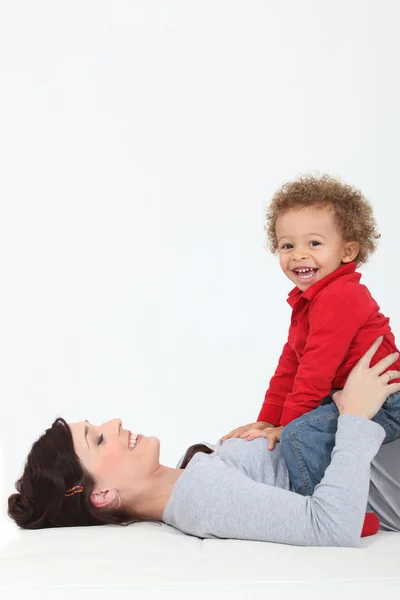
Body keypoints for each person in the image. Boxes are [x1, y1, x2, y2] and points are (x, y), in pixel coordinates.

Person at [7, 340, 400, 546]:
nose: (116, 421)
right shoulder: (200, 497)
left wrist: (277, 425)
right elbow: (331, 526)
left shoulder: (195, 475)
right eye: (98, 438)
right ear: (101, 495)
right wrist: (353, 418)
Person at [222, 174, 400, 534]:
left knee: (299, 435)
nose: (299, 255)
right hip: (348, 398)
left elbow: (316, 371)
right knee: (295, 427)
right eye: (287, 246)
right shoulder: (309, 302)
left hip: (388, 400)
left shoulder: (339, 297)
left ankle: (340, 514)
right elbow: (289, 368)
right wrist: (265, 421)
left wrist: (285, 426)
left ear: (347, 252)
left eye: (314, 243)